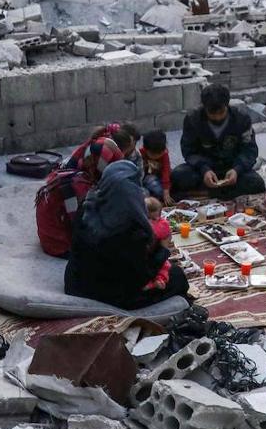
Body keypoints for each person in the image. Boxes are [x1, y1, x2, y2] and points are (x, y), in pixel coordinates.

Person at [64, 158, 189, 310]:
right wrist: (163, 249)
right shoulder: (131, 229)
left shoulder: (87, 206)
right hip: (108, 293)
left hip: (75, 281)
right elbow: (141, 276)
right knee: (177, 276)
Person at [35, 132, 125, 257]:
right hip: (58, 243)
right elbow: (79, 223)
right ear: (102, 165)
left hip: (54, 231)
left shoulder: (80, 167)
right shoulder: (75, 186)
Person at [171, 84, 266, 198]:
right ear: (205, 108)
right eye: (212, 114)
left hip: (231, 167)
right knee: (178, 175)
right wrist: (204, 169)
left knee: (256, 183)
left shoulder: (241, 118)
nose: (217, 117)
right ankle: (223, 192)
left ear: (227, 106)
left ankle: (207, 193)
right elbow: (189, 150)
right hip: (205, 168)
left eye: (221, 112)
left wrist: (237, 169)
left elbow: (249, 150)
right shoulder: (193, 119)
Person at [139, 130, 173, 206]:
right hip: (147, 179)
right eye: (153, 154)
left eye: (160, 153)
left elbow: (166, 171)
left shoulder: (164, 154)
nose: (157, 156)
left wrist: (166, 190)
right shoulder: (141, 154)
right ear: (146, 149)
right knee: (153, 188)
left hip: (161, 178)